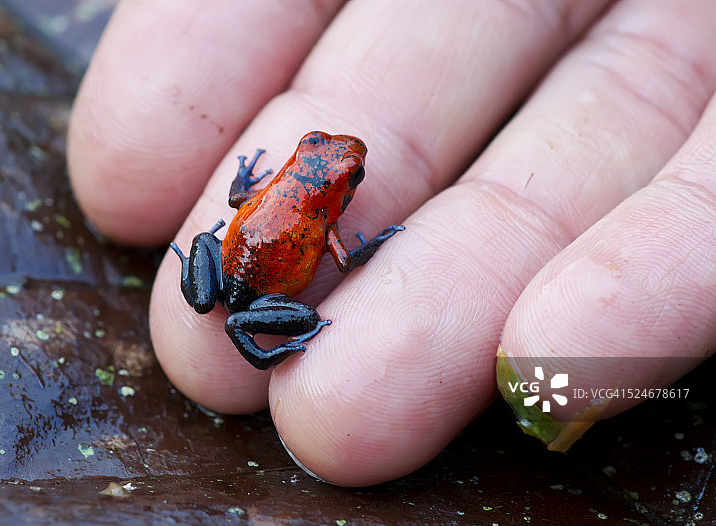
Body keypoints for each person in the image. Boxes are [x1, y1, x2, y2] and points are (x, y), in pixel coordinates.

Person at [66, 0, 716, 487]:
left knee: (227, 276)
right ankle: (278, 341)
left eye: (347, 176)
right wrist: (371, 239)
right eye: (332, 165)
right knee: (281, 315)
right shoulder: (319, 221)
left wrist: (245, 184)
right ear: (312, 170)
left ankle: (266, 332)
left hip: (234, 265)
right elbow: (344, 256)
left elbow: (241, 201)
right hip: (253, 287)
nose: (345, 170)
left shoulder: (287, 199)